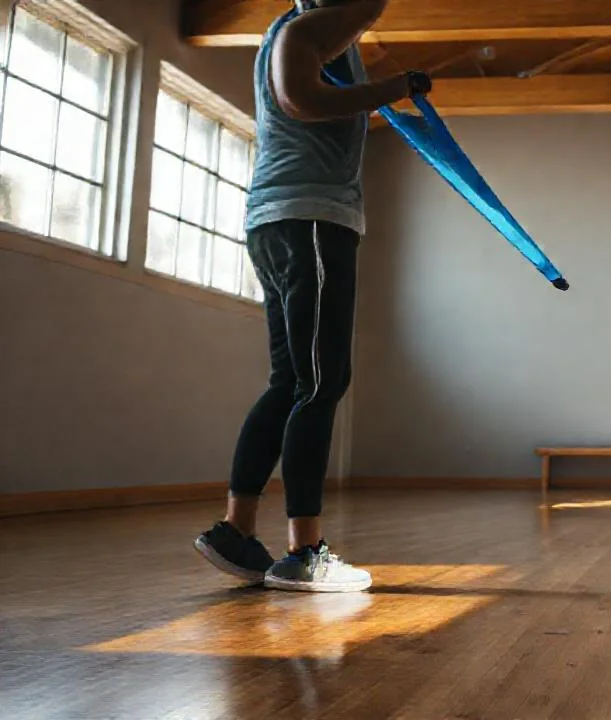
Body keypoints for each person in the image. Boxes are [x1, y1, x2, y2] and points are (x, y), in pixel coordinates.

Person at [193, 0, 430, 593]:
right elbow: (301, 100)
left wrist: (383, 89)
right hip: (312, 221)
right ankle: (304, 552)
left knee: (292, 381)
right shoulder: (302, 28)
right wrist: (391, 88)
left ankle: (236, 531)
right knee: (322, 382)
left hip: (284, 220)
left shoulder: (321, 36)